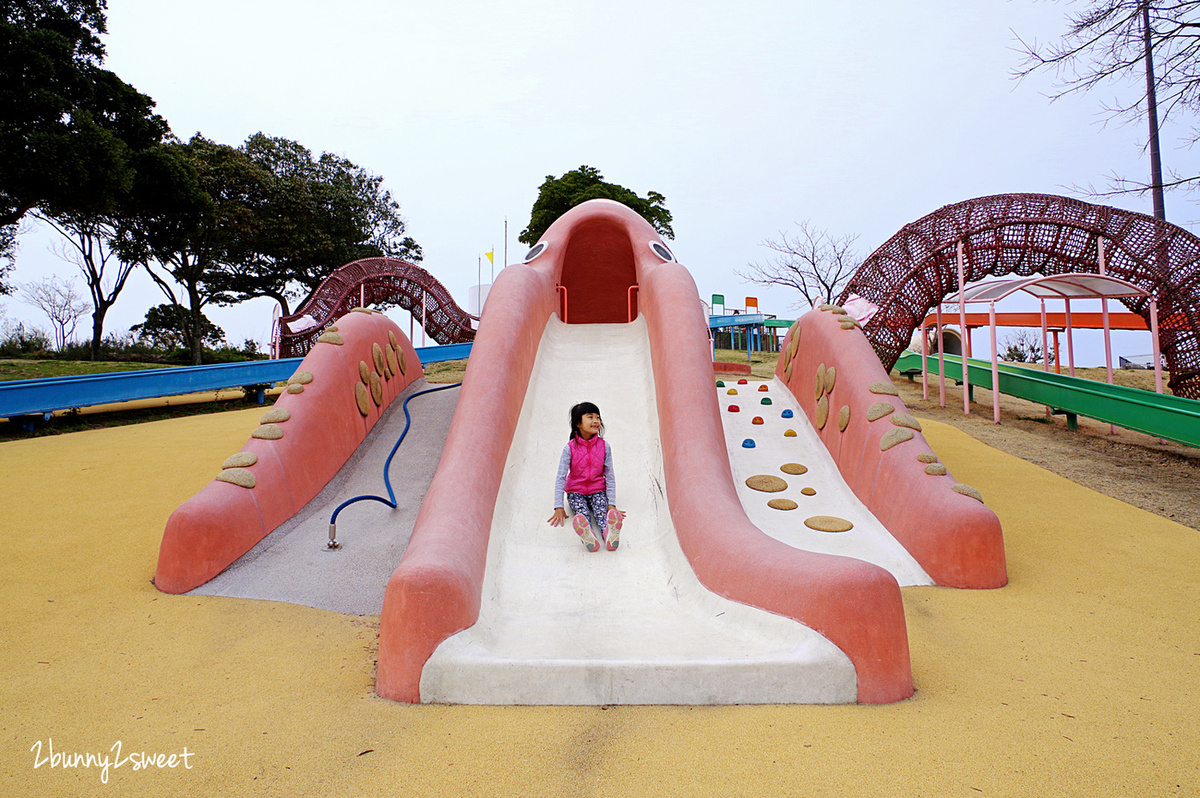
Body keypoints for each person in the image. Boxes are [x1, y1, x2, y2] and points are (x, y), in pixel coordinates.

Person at [547, 401, 625, 552]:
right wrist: (558, 506)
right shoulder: (569, 448)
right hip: (576, 492)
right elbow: (561, 476)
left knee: (602, 512)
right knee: (581, 514)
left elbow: (609, 475)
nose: (596, 421)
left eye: (598, 417)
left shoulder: (604, 446)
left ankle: (609, 535)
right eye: (590, 417)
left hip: (598, 490)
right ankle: (589, 536)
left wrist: (612, 504)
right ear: (578, 423)